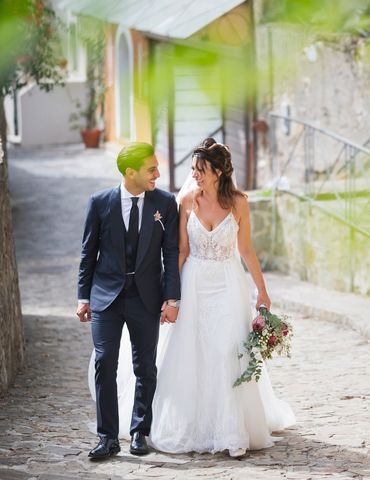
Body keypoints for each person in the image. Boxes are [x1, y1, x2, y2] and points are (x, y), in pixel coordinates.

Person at [89, 138, 295, 458]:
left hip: (228, 284)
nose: (195, 175)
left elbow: (246, 250)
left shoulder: (239, 202)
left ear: (217, 171)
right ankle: (184, 424)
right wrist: (170, 296)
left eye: (201, 170)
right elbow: (180, 251)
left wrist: (262, 291)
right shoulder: (186, 200)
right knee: (192, 353)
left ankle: (230, 430)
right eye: (194, 170)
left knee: (226, 352)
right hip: (194, 282)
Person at [77, 142, 180, 460]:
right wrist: (83, 296)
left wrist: (172, 297)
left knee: (145, 367)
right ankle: (107, 437)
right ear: (130, 172)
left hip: (146, 297)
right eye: (152, 169)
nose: (158, 174)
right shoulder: (100, 203)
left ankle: (139, 432)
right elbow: (88, 252)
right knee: (104, 361)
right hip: (106, 296)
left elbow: (170, 252)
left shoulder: (165, 202)